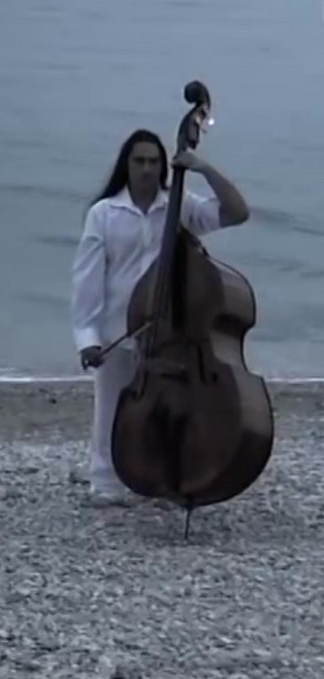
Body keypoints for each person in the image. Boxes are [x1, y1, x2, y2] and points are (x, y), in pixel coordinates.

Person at [70, 129, 251, 507]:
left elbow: (237, 213)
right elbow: (87, 278)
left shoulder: (178, 205)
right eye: (139, 161)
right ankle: (104, 481)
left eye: (154, 162)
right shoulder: (104, 214)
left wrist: (202, 168)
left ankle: (162, 475)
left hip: (172, 329)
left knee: (171, 404)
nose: (147, 169)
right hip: (119, 327)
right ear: (127, 165)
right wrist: (88, 338)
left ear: (163, 167)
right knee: (111, 405)